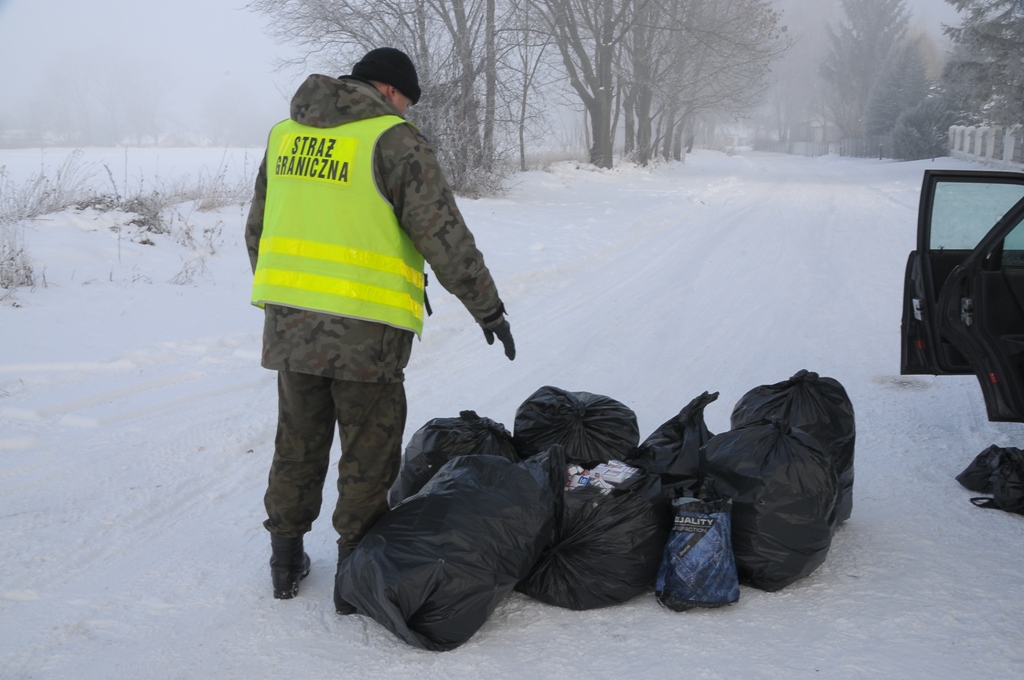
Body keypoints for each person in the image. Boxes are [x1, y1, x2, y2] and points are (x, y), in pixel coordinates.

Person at [244, 47, 515, 609]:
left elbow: (259, 229)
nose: (406, 114)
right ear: (388, 90)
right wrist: (487, 307)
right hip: (367, 333)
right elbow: (443, 236)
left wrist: (288, 304)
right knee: (369, 450)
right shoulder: (393, 140)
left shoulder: (285, 136)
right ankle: (354, 570)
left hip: (292, 326)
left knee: (297, 440)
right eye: (406, 103)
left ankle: (284, 561)